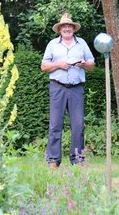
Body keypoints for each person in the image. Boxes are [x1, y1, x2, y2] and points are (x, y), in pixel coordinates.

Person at [41, 13, 95, 168]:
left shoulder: (82, 43)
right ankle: (53, 160)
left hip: (76, 89)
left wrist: (84, 64)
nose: (67, 28)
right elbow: (43, 67)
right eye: (64, 26)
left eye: (69, 26)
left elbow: (92, 64)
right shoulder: (52, 44)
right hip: (57, 87)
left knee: (78, 125)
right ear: (59, 29)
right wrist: (59, 64)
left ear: (73, 28)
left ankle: (78, 160)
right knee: (55, 125)